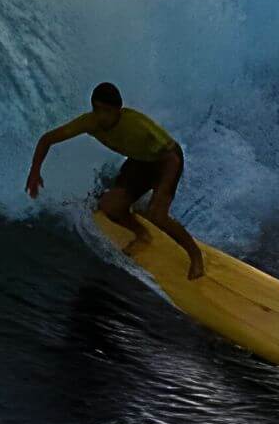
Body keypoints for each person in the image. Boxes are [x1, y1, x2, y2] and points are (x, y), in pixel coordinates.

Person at [26, 82, 206, 280]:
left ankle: (195, 255)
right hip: (140, 161)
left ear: (118, 110)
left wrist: (162, 190)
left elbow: (171, 154)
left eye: (106, 111)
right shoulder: (89, 122)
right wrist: (35, 171)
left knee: (158, 215)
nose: (101, 115)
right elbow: (47, 139)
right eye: (96, 109)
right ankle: (142, 234)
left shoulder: (136, 123)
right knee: (109, 206)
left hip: (166, 160)